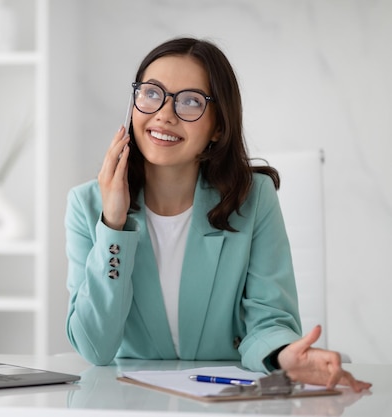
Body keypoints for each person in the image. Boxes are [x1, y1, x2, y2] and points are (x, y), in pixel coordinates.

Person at [64, 37, 371, 392]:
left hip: (228, 398)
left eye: (191, 101)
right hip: (128, 398)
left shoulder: (253, 198)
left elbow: (268, 321)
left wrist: (285, 355)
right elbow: (95, 348)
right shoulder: (87, 204)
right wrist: (113, 225)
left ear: (219, 127)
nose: (164, 113)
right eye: (151, 93)